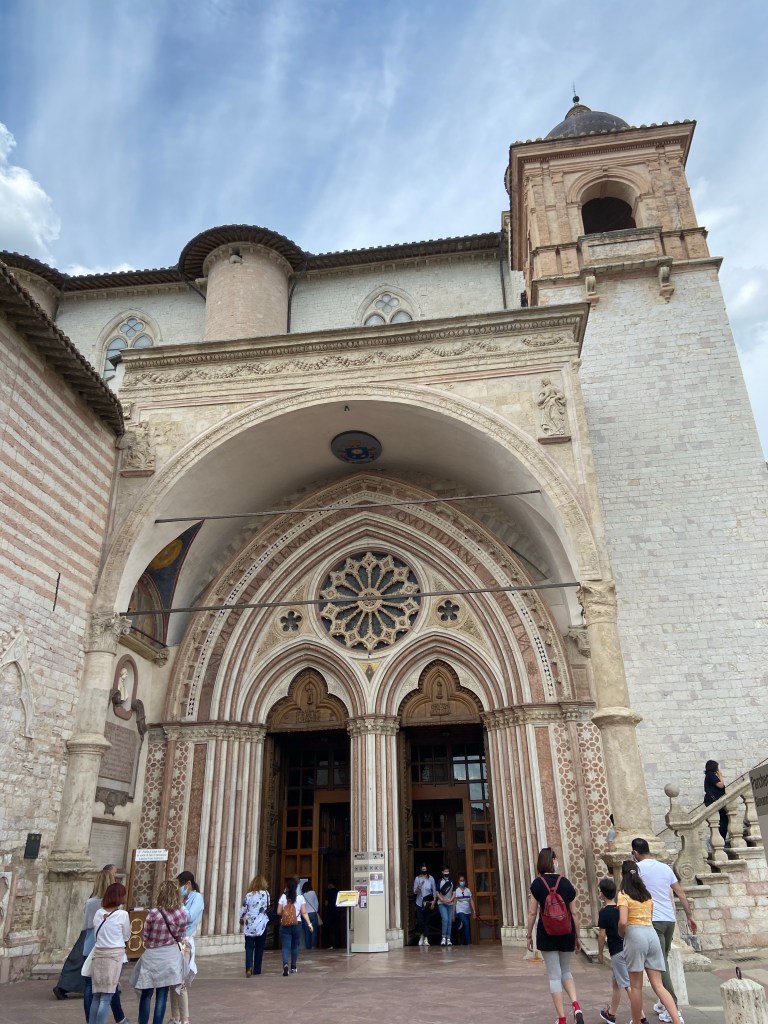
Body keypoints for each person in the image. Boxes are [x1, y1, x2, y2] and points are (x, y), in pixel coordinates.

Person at [632, 838, 697, 1024]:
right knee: (663, 960)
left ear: (635, 852)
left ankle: (673, 1008)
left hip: (653, 920)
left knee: (660, 966)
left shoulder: (638, 869)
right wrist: (690, 916)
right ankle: (664, 1002)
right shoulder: (665, 868)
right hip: (669, 920)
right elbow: (680, 893)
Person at [618, 860, 681, 1024]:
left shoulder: (623, 895)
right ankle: (676, 1019)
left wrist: (621, 932)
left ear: (622, 875)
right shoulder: (646, 895)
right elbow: (651, 915)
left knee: (636, 986)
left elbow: (623, 921)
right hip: (650, 933)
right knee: (658, 985)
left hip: (635, 934)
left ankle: (637, 1021)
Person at [526, 847, 584, 1024]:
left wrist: (528, 935)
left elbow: (531, 913)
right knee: (566, 971)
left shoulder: (537, 884)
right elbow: (574, 913)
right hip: (567, 932)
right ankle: (576, 1006)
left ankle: (562, 1019)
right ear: (553, 862)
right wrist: (578, 936)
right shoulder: (565, 883)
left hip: (547, 933)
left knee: (554, 975)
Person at [53, 864, 118, 1002]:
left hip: (88, 934)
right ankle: (68, 986)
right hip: (101, 936)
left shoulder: (91, 901)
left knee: (78, 961)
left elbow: (86, 918)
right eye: (114, 874)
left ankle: (66, 986)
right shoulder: (112, 903)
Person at [130, 880, 188, 1024]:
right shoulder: (181, 913)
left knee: (147, 992)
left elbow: (146, 936)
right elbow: (181, 936)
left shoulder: (153, 913)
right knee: (162, 994)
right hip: (170, 955)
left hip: (153, 955)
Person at [83, 868, 130, 1024]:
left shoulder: (98, 913)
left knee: (97, 995)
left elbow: (94, 929)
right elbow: (126, 935)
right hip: (114, 956)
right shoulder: (122, 915)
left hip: (98, 953)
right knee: (107, 995)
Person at [597, 876, 643, 1024]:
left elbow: (602, 935)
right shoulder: (620, 909)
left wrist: (599, 953)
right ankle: (611, 1013)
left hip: (617, 952)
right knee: (616, 983)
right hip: (627, 947)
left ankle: (641, 1017)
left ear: (602, 893)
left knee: (627, 985)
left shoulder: (604, 912)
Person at [169, 871, 203, 1024]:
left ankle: (185, 1019)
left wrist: (179, 903)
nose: (179, 889)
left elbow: (188, 917)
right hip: (174, 940)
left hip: (185, 942)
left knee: (180, 982)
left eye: (181, 886)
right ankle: (175, 1017)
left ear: (188, 884)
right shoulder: (186, 898)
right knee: (172, 981)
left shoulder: (197, 898)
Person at [278, 877, 313, 975]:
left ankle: (285, 965)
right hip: (297, 924)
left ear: (287, 887)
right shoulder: (300, 898)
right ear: (297, 887)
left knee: (285, 946)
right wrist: (310, 924)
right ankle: (293, 966)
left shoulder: (283, 897)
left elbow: (278, 911)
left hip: (285, 925)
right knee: (295, 945)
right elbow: (304, 912)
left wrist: (285, 914)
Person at [240, 874, 270, 976]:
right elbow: (268, 906)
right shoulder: (266, 894)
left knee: (249, 947)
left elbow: (243, 909)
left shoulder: (248, 895)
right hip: (261, 925)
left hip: (250, 925)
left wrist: (241, 918)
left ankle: (249, 967)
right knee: (259, 947)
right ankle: (257, 969)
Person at [703, 760, 728, 843]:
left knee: (719, 821)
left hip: (711, 800)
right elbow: (720, 785)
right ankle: (721, 841)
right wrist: (720, 775)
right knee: (723, 821)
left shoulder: (708, 775)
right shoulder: (711, 775)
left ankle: (719, 841)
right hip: (714, 800)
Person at [413, 864, 436, 946]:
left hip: (428, 902)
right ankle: (421, 935)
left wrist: (433, 902)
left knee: (427, 921)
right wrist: (418, 887)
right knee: (420, 921)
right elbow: (414, 892)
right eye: (422, 869)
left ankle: (425, 937)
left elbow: (434, 891)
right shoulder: (417, 879)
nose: (424, 870)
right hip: (419, 902)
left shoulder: (431, 879)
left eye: (425, 869)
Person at [436, 865, 456, 946]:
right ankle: (443, 938)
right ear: (442, 872)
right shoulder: (439, 881)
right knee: (445, 919)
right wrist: (442, 900)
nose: (446, 873)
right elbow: (437, 892)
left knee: (449, 921)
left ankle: (448, 938)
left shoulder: (452, 882)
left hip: (450, 903)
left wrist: (450, 900)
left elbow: (454, 893)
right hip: (442, 903)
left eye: (448, 871)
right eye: (445, 871)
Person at [454, 873, 476, 945]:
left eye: (463, 880)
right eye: (461, 880)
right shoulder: (456, 891)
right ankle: (469, 943)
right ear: (458, 881)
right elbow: (454, 902)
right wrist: (453, 914)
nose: (462, 882)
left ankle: (462, 943)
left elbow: (471, 900)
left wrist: (474, 911)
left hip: (467, 911)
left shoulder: (468, 890)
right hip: (460, 911)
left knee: (464, 926)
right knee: (466, 924)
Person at [301, 877, 320, 949]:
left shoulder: (303, 895)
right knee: (314, 931)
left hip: (305, 914)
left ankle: (307, 947)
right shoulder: (313, 892)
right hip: (313, 913)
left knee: (306, 932)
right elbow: (317, 903)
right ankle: (313, 946)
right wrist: (316, 910)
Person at [323, 880, 341, 948]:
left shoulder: (328, 891)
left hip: (330, 912)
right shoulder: (338, 891)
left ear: (330, 884)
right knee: (336, 929)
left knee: (329, 929)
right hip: (337, 912)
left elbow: (326, 903)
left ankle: (330, 944)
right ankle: (337, 944)